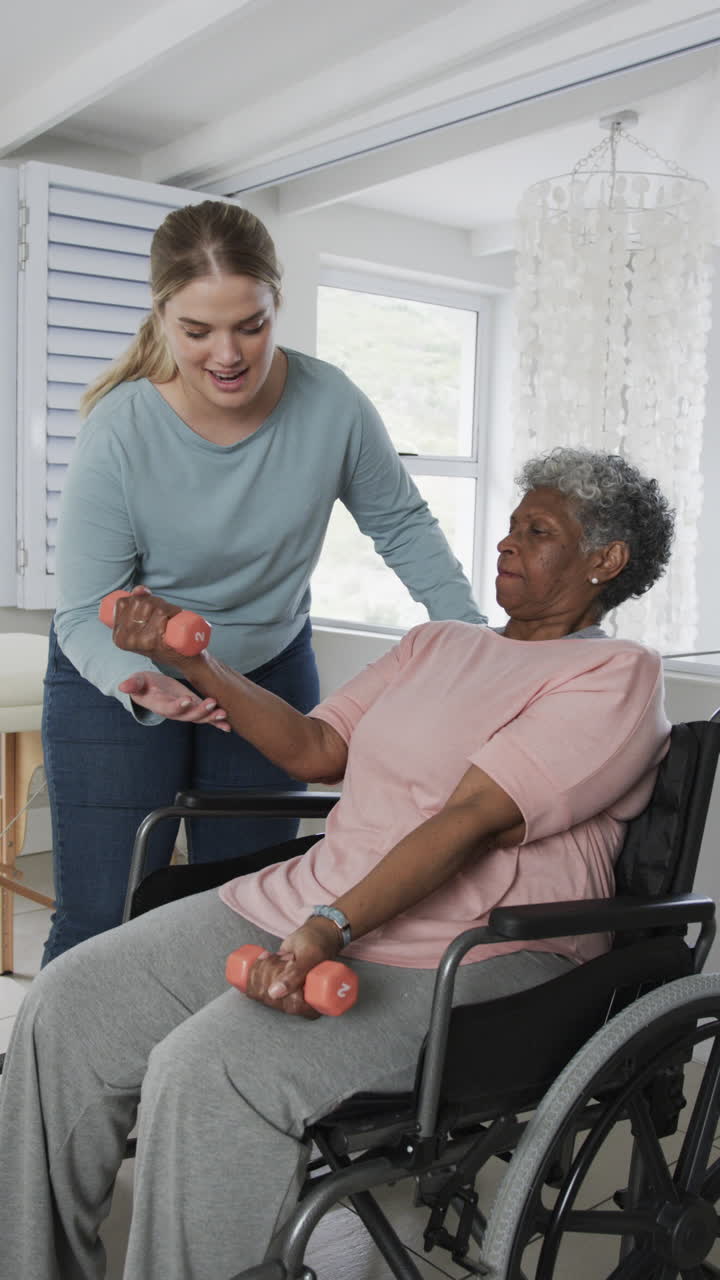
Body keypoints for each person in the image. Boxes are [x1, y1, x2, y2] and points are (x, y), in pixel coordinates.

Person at [0, 448, 674, 1279]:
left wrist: (331, 926)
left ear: (606, 560)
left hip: (477, 944)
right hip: (317, 902)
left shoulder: (616, 674)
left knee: (211, 1071)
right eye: (510, 526)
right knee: (69, 1003)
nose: (507, 542)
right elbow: (317, 749)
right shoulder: (437, 643)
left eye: (538, 532)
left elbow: (469, 821)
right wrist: (196, 663)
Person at [42, 199, 486, 965]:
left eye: (250, 325)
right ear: (161, 316)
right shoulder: (120, 429)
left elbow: (404, 528)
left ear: (277, 303)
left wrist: (478, 644)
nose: (227, 354)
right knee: (101, 920)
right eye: (197, 331)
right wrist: (137, 680)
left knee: (249, 915)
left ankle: (202, 1049)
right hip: (119, 681)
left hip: (264, 676)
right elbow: (84, 611)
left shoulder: (332, 404)